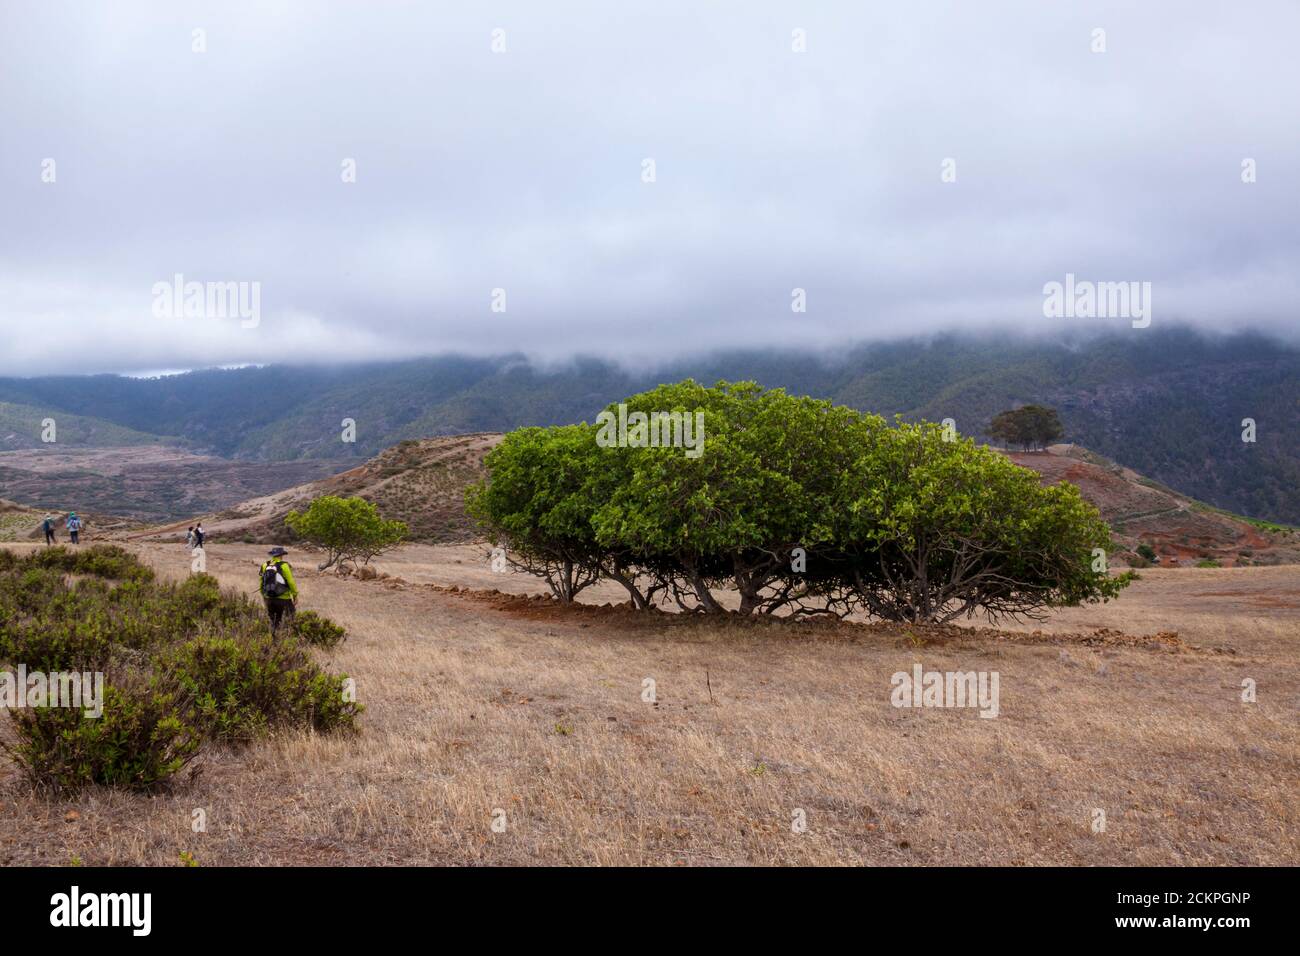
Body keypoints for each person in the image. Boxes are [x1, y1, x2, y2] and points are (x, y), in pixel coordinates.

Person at [259, 547, 298, 632]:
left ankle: (274, 640)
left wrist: (264, 595)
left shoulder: (265, 565)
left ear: (272, 555)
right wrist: (295, 595)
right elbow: (291, 582)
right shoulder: (284, 565)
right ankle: (288, 638)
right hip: (284, 599)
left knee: (273, 621)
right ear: (281, 555)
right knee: (290, 619)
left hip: (269, 598)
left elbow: (261, 582)